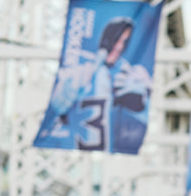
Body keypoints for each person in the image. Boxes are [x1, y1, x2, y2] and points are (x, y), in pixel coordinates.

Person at [42, 16, 153, 153]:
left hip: (109, 152)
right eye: (116, 39)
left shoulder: (130, 74)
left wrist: (138, 93)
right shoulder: (81, 71)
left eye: (124, 42)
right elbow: (57, 107)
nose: (119, 47)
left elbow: (144, 111)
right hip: (76, 149)